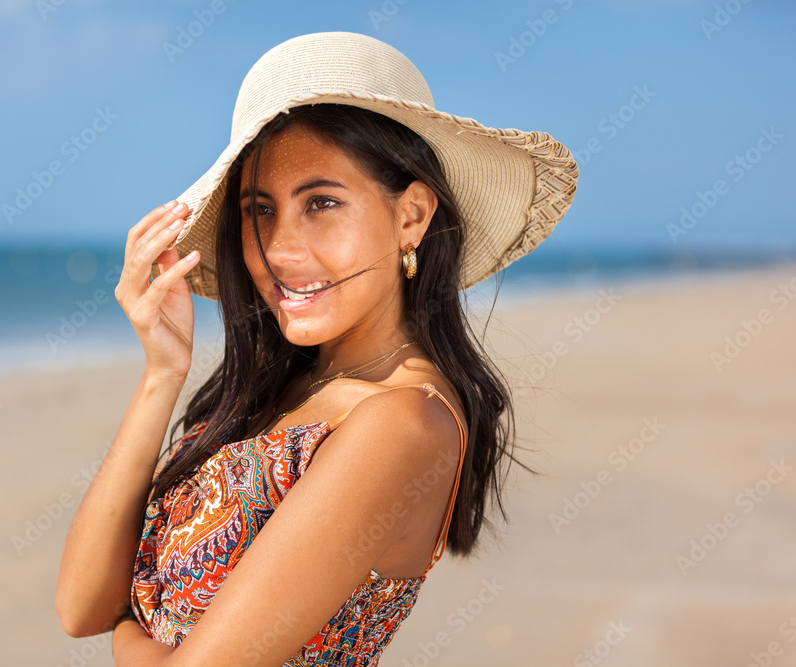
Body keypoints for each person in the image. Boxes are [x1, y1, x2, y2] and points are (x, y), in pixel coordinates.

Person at [56, 31, 578, 666]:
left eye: (322, 203)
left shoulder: (401, 423)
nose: (280, 250)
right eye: (260, 211)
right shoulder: (283, 391)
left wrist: (127, 634)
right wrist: (162, 374)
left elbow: (125, 629)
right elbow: (81, 605)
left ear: (411, 215)